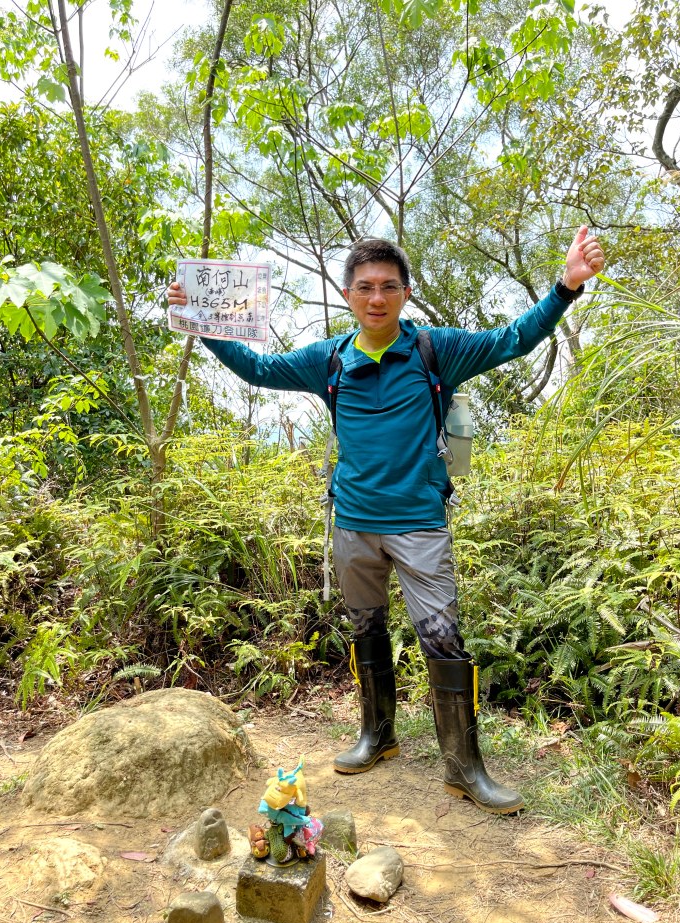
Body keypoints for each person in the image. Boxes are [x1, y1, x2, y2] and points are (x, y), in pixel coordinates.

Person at [167, 226, 605, 814]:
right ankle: (377, 735)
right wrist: (202, 321)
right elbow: (257, 369)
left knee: (444, 642)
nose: (377, 298)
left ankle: (463, 767)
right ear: (348, 294)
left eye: (389, 287)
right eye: (366, 287)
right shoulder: (328, 359)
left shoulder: (434, 350)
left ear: (405, 293)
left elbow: (514, 339)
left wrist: (566, 286)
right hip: (352, 524)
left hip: (419, 524)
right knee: (365, 630)